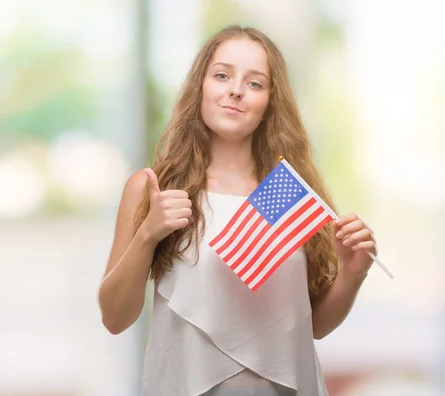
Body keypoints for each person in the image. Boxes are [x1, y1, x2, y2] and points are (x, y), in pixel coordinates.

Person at [97, 25, 378, 396]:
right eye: (222, 75)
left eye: (255, 83)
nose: (236, 90)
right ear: (200, 86)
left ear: (269, 103)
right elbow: (115, 318)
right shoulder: (156, 188)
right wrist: (148, 234)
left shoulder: (285, 194)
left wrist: (352, 274)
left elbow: (310, 326)